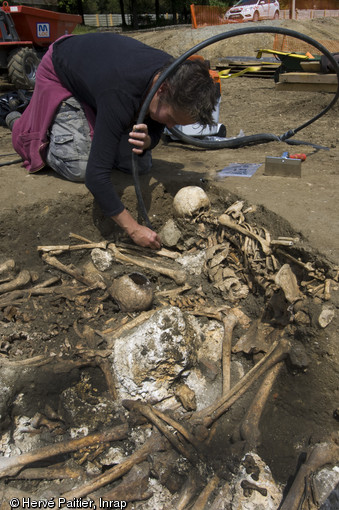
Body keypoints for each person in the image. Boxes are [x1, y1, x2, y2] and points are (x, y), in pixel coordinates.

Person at [10, 32, 218, 249]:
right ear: (163, 88)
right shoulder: (121, 92)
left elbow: (157, 125)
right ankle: (23, 126)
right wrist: (133, 229)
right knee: (80, 166)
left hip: (102, 80)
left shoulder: (173, 78)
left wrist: (149, 140)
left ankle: (94, 120)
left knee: (139, 162)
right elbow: (95, 177)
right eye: (172, 119)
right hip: (61, 72)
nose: (172, 128)